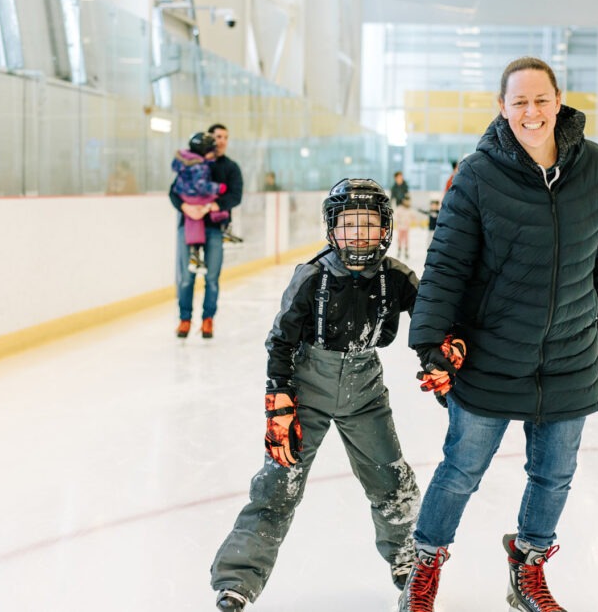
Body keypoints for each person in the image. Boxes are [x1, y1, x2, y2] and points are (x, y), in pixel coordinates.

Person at [399, 56, 598, 612]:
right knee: (461, 471)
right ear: (503, 108)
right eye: (519, 101)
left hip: (570, 353)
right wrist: (431, 341)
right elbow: (447, 263)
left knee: (554, 476)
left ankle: (528, 567)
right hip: (492, 352)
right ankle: (424, 564)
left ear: (558, 101)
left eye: (540, 99)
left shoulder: (595, 166)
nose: (531, 111)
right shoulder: (478, 173)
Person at [211, 179, 422, 611]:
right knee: (276, 487)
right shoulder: (312, 277)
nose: (359, 234)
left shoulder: (397, 277)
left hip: (365, 392)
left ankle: (409, 566)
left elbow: (431, 324)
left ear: (385, 228)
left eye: (368, 224)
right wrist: (280, 405)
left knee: (392, 482)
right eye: (349, 224)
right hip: (308, 389)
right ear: (332, 229)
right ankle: (237, 581)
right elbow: (281, 342)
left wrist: (442, 358)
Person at [169, 123, 243, 339]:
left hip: (214, 228)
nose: (221, 141)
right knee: (186, 276)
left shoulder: (230, 167)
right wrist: (187, 208)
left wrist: (211, 206)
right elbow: (174, 192)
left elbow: (235, 196)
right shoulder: (192, 162)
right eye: (217, 136)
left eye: (225, 137)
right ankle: (184, 319)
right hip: (190, 224)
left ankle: (208, 319)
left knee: (212, 277)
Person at [171, 132, 229, 274]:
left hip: (185, 195)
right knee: (216, 204)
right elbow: (201, 185)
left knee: (194, 221)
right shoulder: (199, 166)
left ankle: (194, 252)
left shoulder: (185, 160)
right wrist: (218, 188)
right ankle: (225, 227)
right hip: (194, 196)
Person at [394, 193, 414, 258]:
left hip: (406, 228)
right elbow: (395, 216)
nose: (407, 202)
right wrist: (399, 221)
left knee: (406, 240)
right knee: (399, 240)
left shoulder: (410, 210)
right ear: (403, 201)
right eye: (406, 200)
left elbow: (413, 217)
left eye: (408, 201)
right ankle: (399, 251)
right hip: (400, 228)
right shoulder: (399, 208)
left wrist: (410, 221)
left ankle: (406, 252)